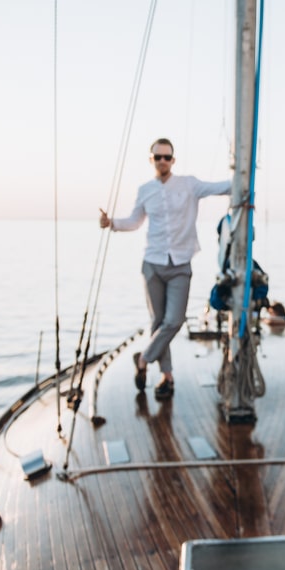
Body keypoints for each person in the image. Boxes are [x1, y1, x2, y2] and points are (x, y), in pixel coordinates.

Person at [100, 138, 231, 399]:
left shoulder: (189, 184)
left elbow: (221, 187)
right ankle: (166, 377)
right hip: (152, 264)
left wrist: (245, 180)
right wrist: (111, 222)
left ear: (173, 160)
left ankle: (143, 359)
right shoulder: (145, 190)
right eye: (157, 157)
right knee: (158, 322)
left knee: (175, 320)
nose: (162, 161)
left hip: (180, 263)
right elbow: (135, 221)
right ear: (151, 160)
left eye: (167, 157)